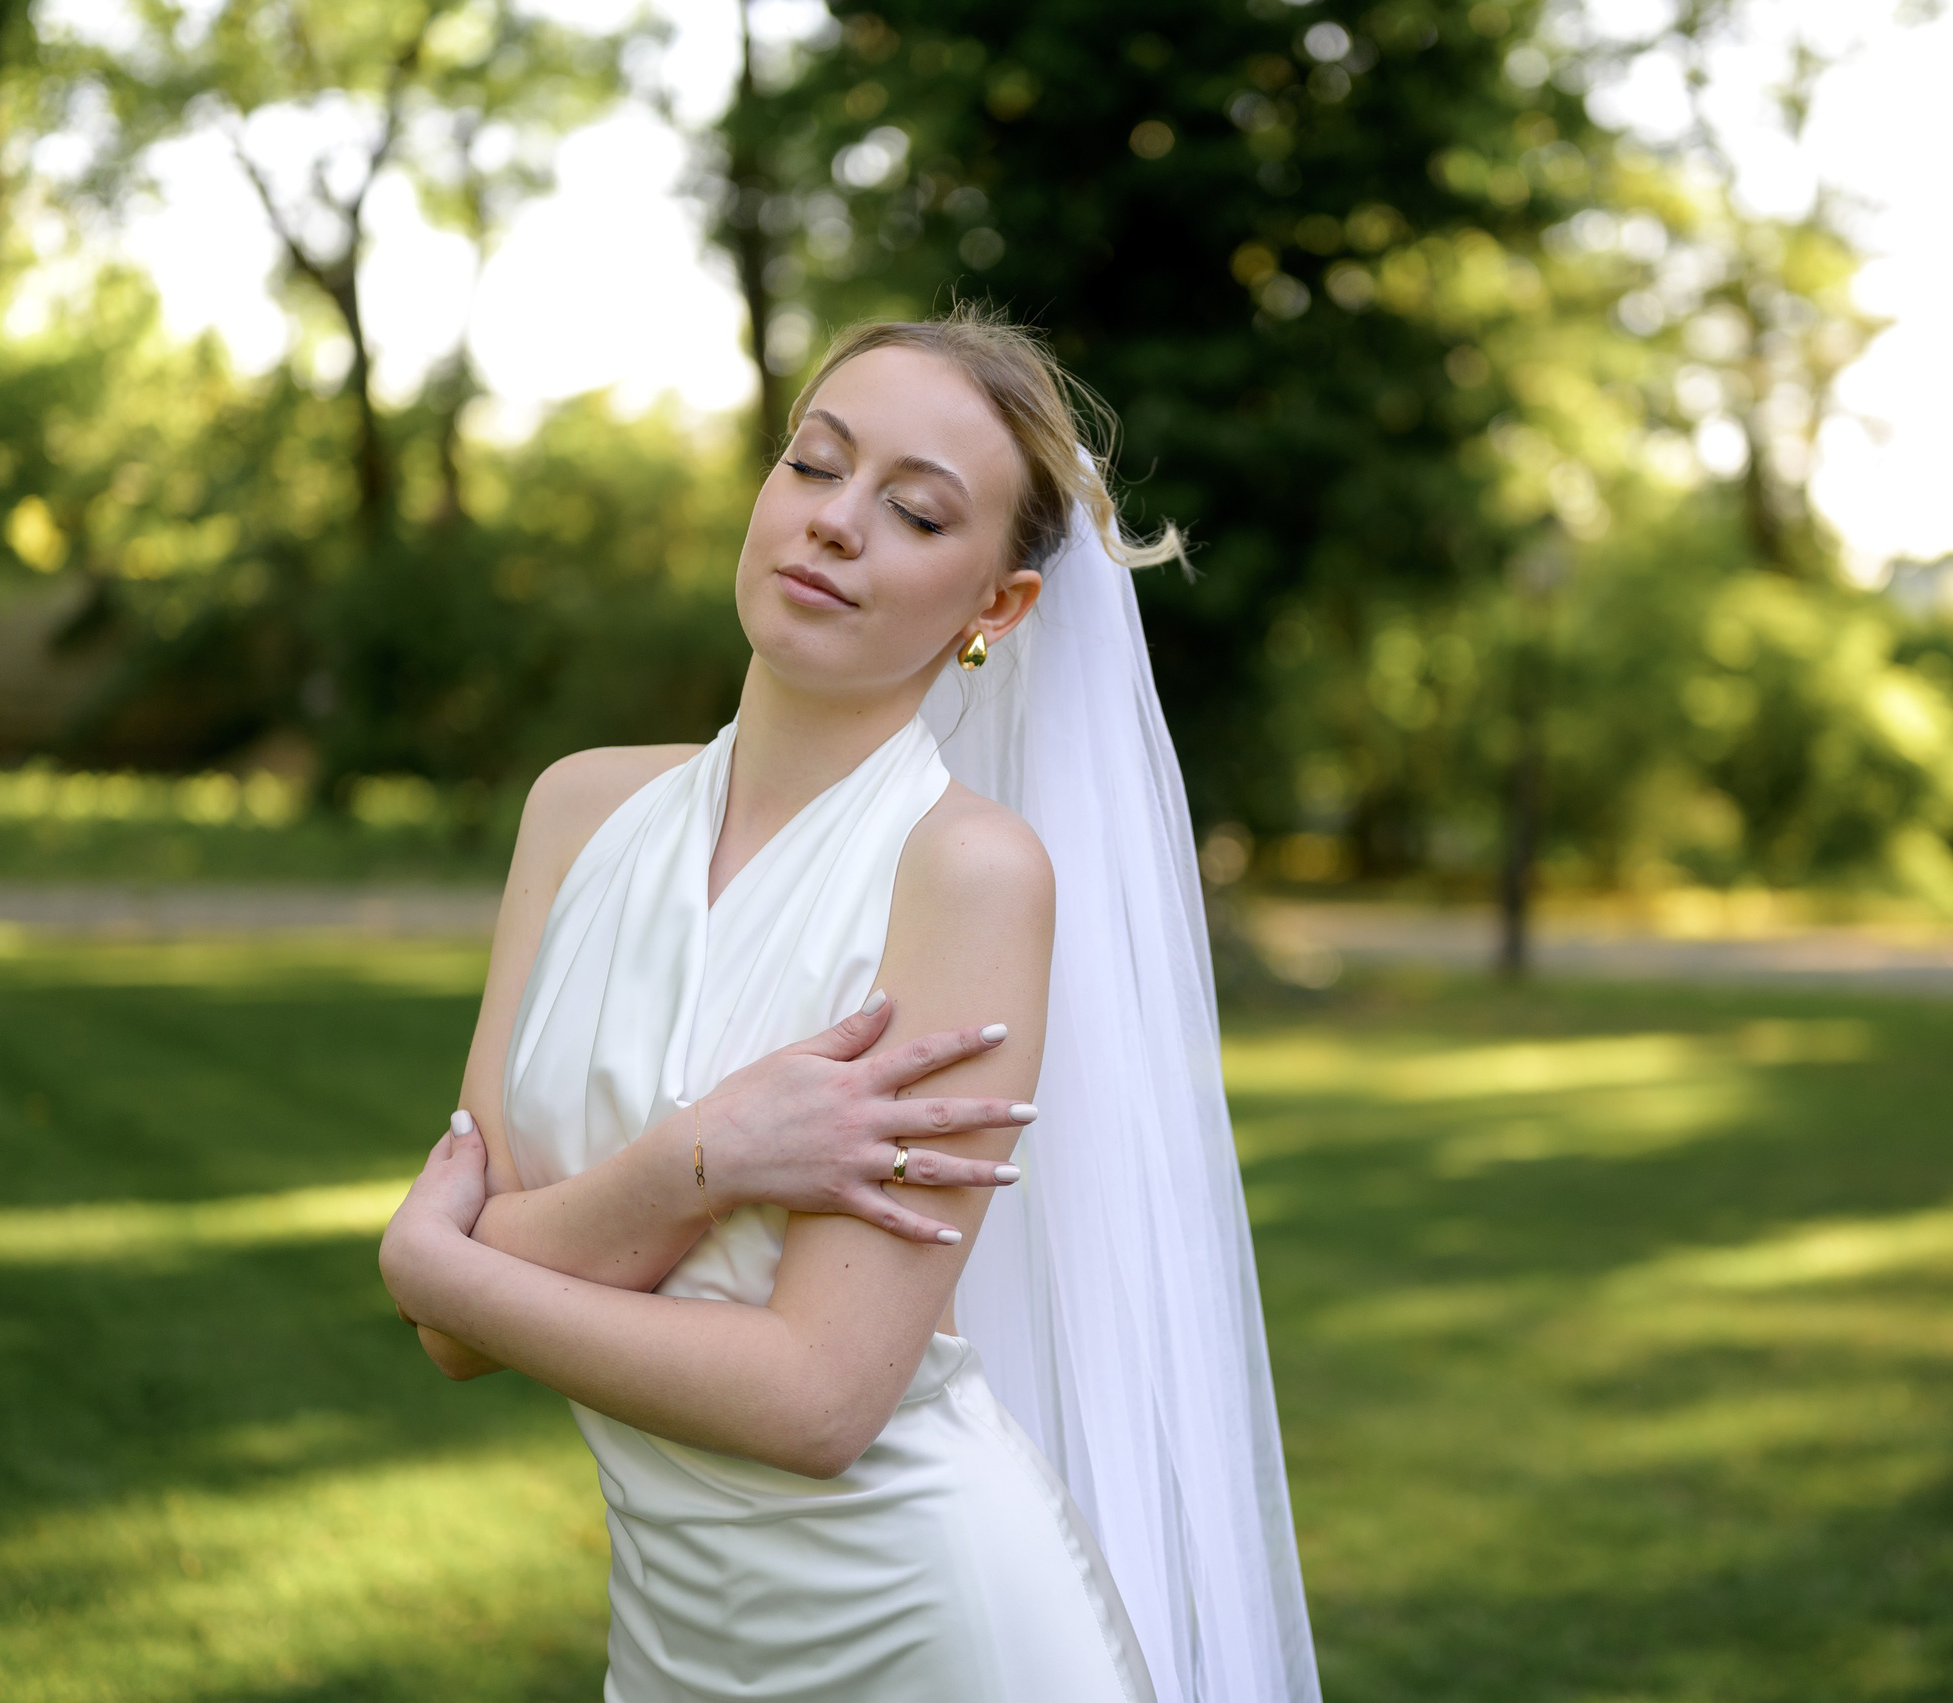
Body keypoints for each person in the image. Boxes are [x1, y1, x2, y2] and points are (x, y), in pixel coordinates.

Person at [377, 308, 1320, 1703]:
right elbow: (464, 1335)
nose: (835, 520)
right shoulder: (577, 812)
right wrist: (703, 1161)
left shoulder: (968, 874)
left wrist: (439, 1261)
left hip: (929, 1638)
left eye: (917, 512)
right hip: (673, 1649)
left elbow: (818, 1398)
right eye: (814, 464)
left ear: (997, 608)